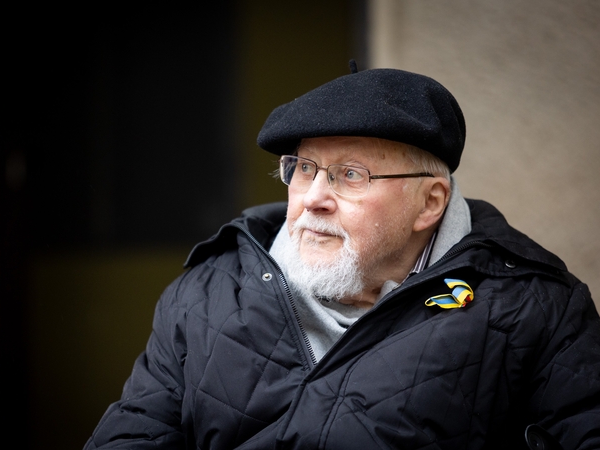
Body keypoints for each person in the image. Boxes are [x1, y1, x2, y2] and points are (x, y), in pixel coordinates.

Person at [84, 64, 600, 449]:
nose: (313, 198)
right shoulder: (207, 290)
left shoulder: (534, 309)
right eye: (304, 168)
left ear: (430, 203)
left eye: (350, 175)